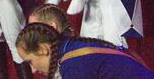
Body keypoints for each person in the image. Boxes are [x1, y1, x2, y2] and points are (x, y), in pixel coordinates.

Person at [16, 23, 154, 79]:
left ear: (42, 49)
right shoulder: (71, 48)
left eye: (30, 62)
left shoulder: (73, 64)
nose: (33, 70)